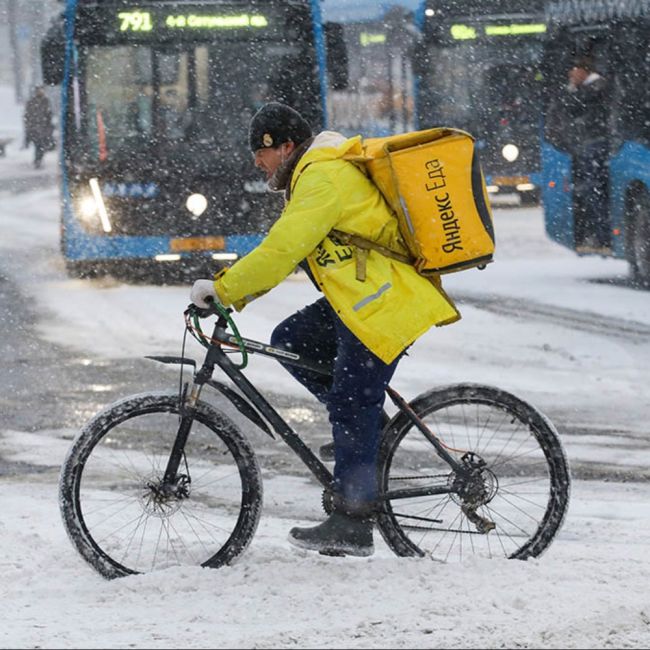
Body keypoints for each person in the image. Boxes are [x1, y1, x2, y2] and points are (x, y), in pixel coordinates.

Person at [190, 102, 460, 557]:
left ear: (287, 146)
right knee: (291, 341)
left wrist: (224, 289)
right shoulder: (312, 177)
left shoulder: (322, 177)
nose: (257, 161)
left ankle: (353, 521)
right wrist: (232, 291)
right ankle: (371, 440)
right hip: (363, 300)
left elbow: (281, 249)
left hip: (383, 304)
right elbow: (290, 253)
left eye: (261, 150)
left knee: (350, 401)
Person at [548, 57, 610, 251]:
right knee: (590, 194)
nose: (570, 74)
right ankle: (599, 235)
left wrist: (571, 91)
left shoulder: (597, 88)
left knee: (595, 193)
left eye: (573, 69)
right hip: (586, 148)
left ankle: (602, 236)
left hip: (595, 148)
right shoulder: (589, 89)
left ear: (585, 71)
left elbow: (573, 108)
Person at [23, 86, 55, 169]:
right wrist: (28, 126)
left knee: (41, 145)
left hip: (43, 128)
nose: (40, 92)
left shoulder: (46, 101)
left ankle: (38, 160)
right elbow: (27, 115)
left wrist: (48, 126)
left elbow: (49, 115)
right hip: (34, 128)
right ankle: (38, 160)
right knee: (38, 145)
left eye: (42, 90)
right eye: (39, 91)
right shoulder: (31, 102)